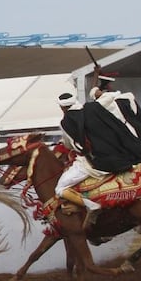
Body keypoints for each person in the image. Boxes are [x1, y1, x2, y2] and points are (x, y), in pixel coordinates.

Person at [56, 91, 107, 222]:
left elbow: (70, 145)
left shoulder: (65, 122)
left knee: (60, 188)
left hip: (92, 161)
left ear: (62, 107)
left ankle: (92, 206)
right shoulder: (90, 109)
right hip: (112, 153)